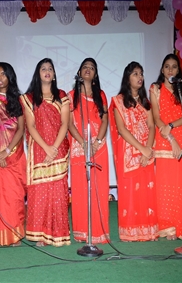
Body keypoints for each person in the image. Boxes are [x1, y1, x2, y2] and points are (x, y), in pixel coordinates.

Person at [149, 53, 182, 244]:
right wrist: (170, 136)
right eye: (167, 67)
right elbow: (156, 117)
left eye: (174, 67)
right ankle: (167, 225)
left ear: (178, 71)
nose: (170, 70)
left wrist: (171, 126)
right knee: (165, 185)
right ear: (162, 70)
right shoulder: (155, 89)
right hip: (165, 140)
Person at [20, 58, 70, 247]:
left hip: (58, 149)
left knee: (58, 192)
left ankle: (57, 234)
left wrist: (54, 148)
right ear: (38, 73)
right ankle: (41, 235)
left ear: (54, 74)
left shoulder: (62, 96)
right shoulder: (29, 98)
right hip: (40, 150)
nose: (47, 71)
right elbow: (31, 126)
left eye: (50, 69)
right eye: (43, 69)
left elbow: (65, 124)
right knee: (40, 192)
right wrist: (46, 148)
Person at [109, 61, 158, 242]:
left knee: (147, 192)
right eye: (135, 74)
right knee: (131, 194)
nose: (140, 77)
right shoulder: (118, 101)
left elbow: (152, 126)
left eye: (141, 73)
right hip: (130, 154)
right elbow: (122, 130)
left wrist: (149, 150)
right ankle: (131, 232)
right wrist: (142, 149)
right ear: (127, 78)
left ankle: (148, 231)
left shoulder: (145, 102)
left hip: (146, 153)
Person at [67, 58, 110, 244]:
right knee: (81, 190)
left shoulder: (101, 95)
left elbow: (105, 120)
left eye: (92, 68)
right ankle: (82, 232)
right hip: (79, 147)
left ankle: (99, 232)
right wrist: (83, 142)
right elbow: (69, 123)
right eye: (84, 66)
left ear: (95, 75)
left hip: (98, 147)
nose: (88, 70)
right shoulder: (70, 96)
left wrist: (97, 141)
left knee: (98, 190)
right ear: (79, 71)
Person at [0, 62, 27, 246]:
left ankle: (13, 233)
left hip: (14, 154)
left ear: (10, 77)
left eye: (3, 74)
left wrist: (7, 152)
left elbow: (21, 129)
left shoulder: (19, 100)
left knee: (13, 196)